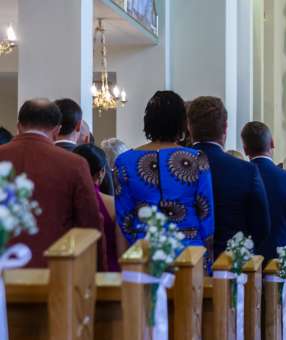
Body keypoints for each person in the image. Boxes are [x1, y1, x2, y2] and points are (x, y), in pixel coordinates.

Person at [115, 91, 215, 271]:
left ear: (148, 122)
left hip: (144, 252)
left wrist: (125, 265)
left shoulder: (124, 162)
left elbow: (123, 220)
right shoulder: (196, 159)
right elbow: (205, 213)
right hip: (190, 252)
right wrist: (207, 263)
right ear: (182, 123)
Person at [0, 99, 104, 269]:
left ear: (18, 126)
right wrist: (99, 276)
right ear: (57, 130)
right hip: (55, 271)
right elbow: (90, 225)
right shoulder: (74, 164)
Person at [188, 96, 270, 257]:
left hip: (185, 263)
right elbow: (262, 228)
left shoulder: (174, 166)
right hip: (230, 265)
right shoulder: (246, 171)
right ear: (225, 127)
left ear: (189, 127)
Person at [241, 121, 286, 261]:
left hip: (245, 261)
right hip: (280, 262)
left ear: (245, 149)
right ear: (272, 143)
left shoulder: (236, 176)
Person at [73, 144, 121, 271]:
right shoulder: (112, 204)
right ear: (101, 173)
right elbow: (121, 246)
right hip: (108, 271)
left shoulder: (65, 201)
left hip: (75, 270)